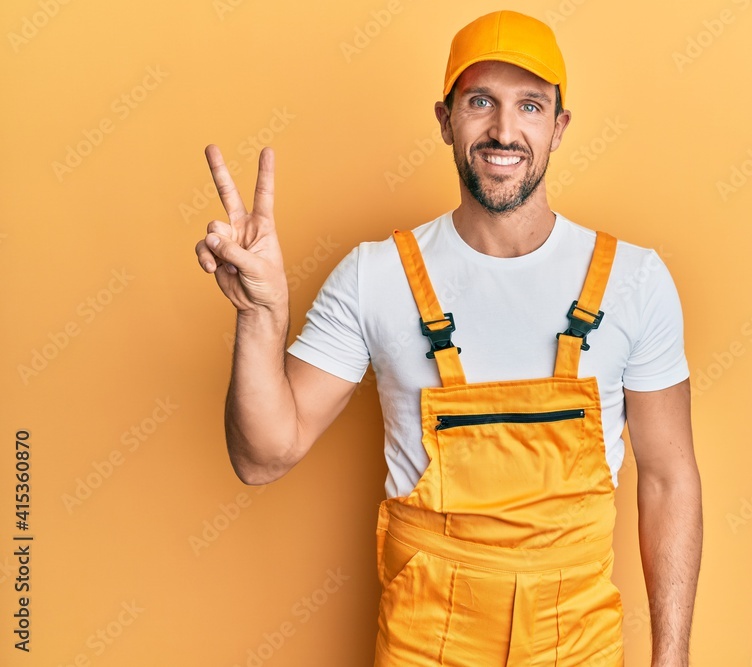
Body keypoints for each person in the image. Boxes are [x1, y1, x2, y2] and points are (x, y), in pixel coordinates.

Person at [194, 9, 702, 667]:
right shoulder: (375, 276)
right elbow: (263, 454)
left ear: (559, 126)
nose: (504, 129)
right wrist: (259, 316)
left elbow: (668, 477)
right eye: (480, 101)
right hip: (425, 645)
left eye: (530, 105)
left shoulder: (635, 279)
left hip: (578, 645)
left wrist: (673, 657)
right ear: (445, 119)